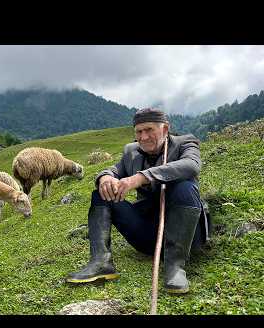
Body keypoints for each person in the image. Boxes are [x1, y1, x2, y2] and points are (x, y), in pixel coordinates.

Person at [66, 108, 210, 294]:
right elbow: (113, 170)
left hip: (187, 237)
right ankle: (101, 262)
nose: (143, 137)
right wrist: (105, 178)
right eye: (139, 131)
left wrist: (141, 177)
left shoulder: (185, 143)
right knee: (102, 193)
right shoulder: (131, 151)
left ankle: (175, 267)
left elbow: (191, 166)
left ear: (165, 129)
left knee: (185, 187)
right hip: (148, 235)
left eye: (149, 130)